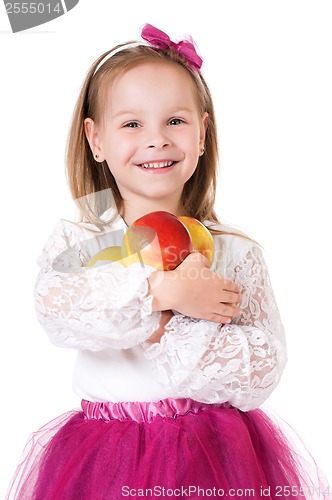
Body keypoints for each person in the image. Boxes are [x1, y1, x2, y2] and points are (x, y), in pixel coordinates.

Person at [6, 24, 330, 500]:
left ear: (202, 134)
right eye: (132, 124)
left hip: (215, 457)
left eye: (174, 122)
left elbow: (263, 365)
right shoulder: (87, 236)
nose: (155, 140)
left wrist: (185, 323)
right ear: (96, 140)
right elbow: (57, 307)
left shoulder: (234, 250)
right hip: (105, 457)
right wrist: (161, 296)